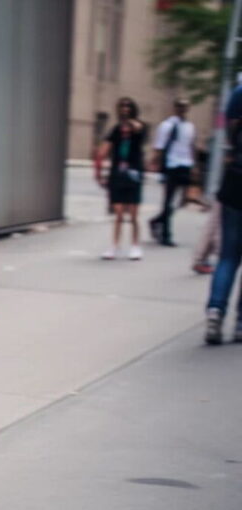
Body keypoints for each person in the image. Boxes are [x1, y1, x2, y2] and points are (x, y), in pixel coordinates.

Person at [204, 82, 242, 345]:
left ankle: (216, 311)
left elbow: (230, 134)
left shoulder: (239, 93)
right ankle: (240, 324)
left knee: (228, 255)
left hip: (236, 183)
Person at [94, 97, 147, 260]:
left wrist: (130, 122)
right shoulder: (116, 130)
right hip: (118, 174)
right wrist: (98, 170)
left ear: (133, 109)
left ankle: (135, 245)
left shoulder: (139, 127)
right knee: (117, 213)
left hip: (134, 174)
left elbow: (138, 129)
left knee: (133, 214)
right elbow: (104, 149)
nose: (125, 109)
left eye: (128, 106)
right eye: (122, 106)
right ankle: (114, 246)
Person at [149, 98, 196, 247]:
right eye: (180, 106)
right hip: (171, 164)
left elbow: (191, 145)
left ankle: (157, 220)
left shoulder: (190, 126)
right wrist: (155, 162)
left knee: (183, 200)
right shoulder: (167, 125)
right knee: (168, 200)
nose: (182, 109)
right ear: (175, 108)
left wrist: (194, 166)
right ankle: (166, 235)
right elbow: (159, 146)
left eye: (185, 106)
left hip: (185, 163)